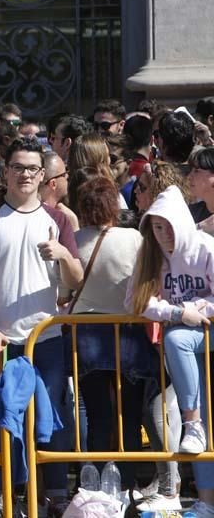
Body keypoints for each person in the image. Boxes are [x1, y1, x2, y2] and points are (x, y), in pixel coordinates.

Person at [0, 138, 83, 516]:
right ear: (6, 172)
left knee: (51, 417)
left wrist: (63, 254)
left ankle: (57, 494)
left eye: (32, 168)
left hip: (44, 337)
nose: (25, 174)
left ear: (43, 175)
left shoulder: (57, 218)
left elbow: (76, 279)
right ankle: (1, 498)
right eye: (18, 167)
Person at [71, 178, 169, 508]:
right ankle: (125, 488)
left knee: (98, 417)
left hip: (85, 336)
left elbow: (63, 291)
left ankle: (97, 490)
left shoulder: (73, 240)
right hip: (128, 333)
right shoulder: (134, 239)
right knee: (128, 415)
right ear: (114, 204)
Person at [125, 185, 214, 516]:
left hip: (206, 332)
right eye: (156, 226)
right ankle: (206, 503)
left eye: (167, 226)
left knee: (177, 338)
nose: (162, 234)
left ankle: (192, 423)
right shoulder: (150, 253)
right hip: (185, 340)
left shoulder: (206, 247)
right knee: (202, 433)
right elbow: (133, 301)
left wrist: (197, 309)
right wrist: (177, 313)